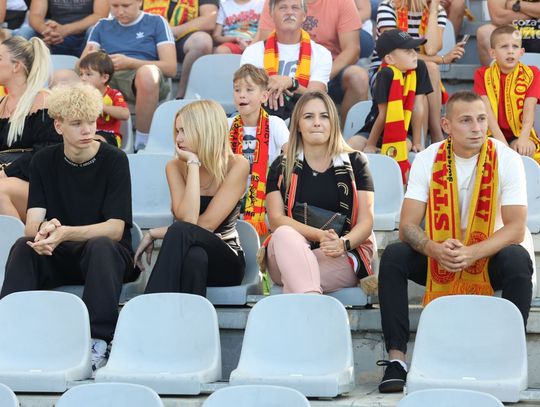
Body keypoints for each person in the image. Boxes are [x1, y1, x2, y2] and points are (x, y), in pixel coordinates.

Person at [376, 91, 532, 393]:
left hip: (489, 256)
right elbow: (407, 226)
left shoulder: (507, 159)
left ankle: (507, 357)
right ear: (446, 125)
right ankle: (397, 360)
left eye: (482, 119)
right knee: (395, 256)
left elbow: (515, 228)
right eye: (466, 121)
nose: (477, 128)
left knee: (517, 259)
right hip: (440, 255)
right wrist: (433, 249)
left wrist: (473, 252)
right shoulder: (428, 159)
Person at [0, 83, 139, 373]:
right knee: (24, 247)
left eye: (91, 121)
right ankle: (10, 333)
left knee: (101, 247)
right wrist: (44, 230)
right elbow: (32, 224)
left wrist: (66, 232)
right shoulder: (43, 160)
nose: (87, 130)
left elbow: (115, 229)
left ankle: (98, 341)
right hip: (61, 252)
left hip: (108, 257)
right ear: (58, 125)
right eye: (77, 123)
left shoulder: (114, 159)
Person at [263, 91, 377, 295]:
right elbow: (276, 219)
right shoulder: (281, 166)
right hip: (287, 249)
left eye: (324, 116)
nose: (317, 123)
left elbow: (366, 221)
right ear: (297, 125)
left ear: (333, 122)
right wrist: (319, 235)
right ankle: (312, 301)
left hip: (341, 252)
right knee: (284, 234)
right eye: (308, 117)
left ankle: (309, 299)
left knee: (296, 276)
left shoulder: (356, 162)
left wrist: (342, 244)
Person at [135, 100, 249, 297]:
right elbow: (188, 220)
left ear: (205, 130)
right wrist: (193, 163)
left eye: (185, 131)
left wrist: (155, 233)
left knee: (182, 233)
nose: (178, 138)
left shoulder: (237, 165)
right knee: (195, 257)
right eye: (177, 131)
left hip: (225, 257)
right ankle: (190, 316)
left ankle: (151, 304)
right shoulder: (174, 167)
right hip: (189, 255)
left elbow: (206, 226)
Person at [81, 0, 177, 152]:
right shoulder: (101, 25)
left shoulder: (156, 22)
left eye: (125, 6)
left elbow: (171, 68)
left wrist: (131, 63)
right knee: (63, 76)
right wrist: (90, 57)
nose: (119, 11)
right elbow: (80, 67)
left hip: (140, 76)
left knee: (147, 73)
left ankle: (143, 143)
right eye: (114, 6)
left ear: (139, 2)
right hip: (106, 77)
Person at [255, 0, 370, 122]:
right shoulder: (275, 2)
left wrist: (319, 76)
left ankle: (344, 132)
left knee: (358, 77)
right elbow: (265, 44)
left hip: (330, 69)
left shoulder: (342, 2)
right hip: (280, 68)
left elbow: (352, 49)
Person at [370, 0, 465, 143]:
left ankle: (432, 132)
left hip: (418, 69)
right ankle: (428, 138)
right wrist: (442, 59)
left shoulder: (438, 11)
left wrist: (433, 10)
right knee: (429, 68)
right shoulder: (388, 6)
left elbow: (431, 49)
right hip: (386, 70)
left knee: (428, 69)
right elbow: (394, 53)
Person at [348, 29, 432, 183]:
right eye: (407, 51)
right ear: (390, 58)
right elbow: (384, 113)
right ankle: (348, 190)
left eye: (414, 49)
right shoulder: (385, 74)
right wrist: (371, 144)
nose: (414, 54)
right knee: (350, 148)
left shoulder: (419, 67)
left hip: (404, 132)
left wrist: (418, 141)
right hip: (374, 129)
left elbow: (418, 107)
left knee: (398, 154)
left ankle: (398, 192)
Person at [0, 36, 61, 221]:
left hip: (38, 183)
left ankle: (20, 240)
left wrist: (7, 172)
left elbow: (47, 152)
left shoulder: (44, 100)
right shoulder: (2, 103)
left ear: (16, 66)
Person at [240, 0, 332, 120]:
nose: (289, 12)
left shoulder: (321, 53)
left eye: (295, 8)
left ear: (304, 15)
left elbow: (317, 98)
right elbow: (246, 94)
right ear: (271, 14)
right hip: (261, 118)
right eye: (283, 8)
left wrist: (291, 83)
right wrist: (273, 85)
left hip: (302, 119)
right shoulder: (252, 52)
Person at [229, 63, 289, 234]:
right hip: (232, 196)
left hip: (266, 197)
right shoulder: (226, 124)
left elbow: (292, 154)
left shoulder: (274, 123)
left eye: (249, 90)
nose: (242, 95)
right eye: (237, 90)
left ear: (264, 96)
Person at [474, 25, 540, 163]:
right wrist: (502, 144)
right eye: (504, 46)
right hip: (492, 134)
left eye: (515, 47)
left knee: (527, 151)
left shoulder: (532, 73)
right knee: (494, 154)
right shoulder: (482, 74)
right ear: (492, 53)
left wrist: (523, 139)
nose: (510, 51)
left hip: (521, 133)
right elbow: (487, 111)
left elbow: (530, 108)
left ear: (521, 52)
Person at [143, 0, 219, 99]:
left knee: (203, 41)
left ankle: (182, 97)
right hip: (148, 37)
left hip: (182, 38)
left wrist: (169, 31)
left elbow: (208, 20)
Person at [79, 50, 130, 148]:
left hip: (109, 135)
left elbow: (125, 114)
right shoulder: (79, 94)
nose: (83, 78)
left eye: (88, 74)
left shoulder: (114, 94)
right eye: (81, 74)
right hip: (85, 133)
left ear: (104, 78)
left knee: (92, 141)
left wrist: (101, 106)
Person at [27, 0, 109, 56]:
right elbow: (35, 15)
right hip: (53, 36)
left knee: (93, 30)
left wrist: (65, 30)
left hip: (86, 38)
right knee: (24, 32)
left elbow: (100, 15)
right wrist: (46, 30)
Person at [476, 0, 540, 66]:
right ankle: (497, 72)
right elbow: (499, 17)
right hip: (508, 32)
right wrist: (535, 12)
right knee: (485, 31)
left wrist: (515, 4)